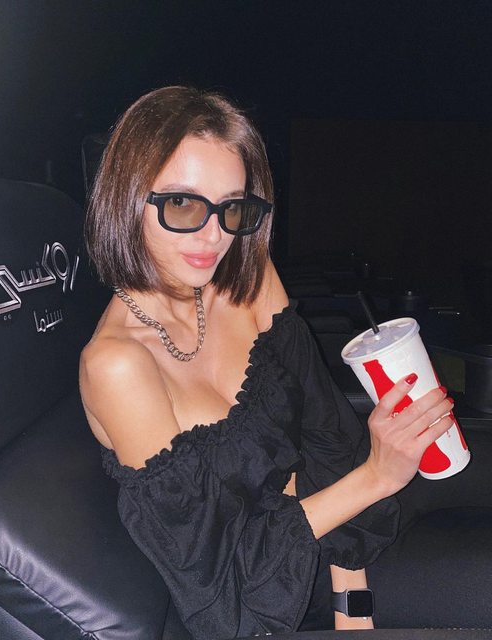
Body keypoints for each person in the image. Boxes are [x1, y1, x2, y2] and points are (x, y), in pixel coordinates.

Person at [79, 86, 453, 638]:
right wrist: (376, 477)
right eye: (182, 204)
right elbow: (221, 593)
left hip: (345, 543)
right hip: (259, 612)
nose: (214, 236)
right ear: (127, 198)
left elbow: (325, 431)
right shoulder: (118, 366)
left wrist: (353, 606)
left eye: (232, 207)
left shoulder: (247, 281)